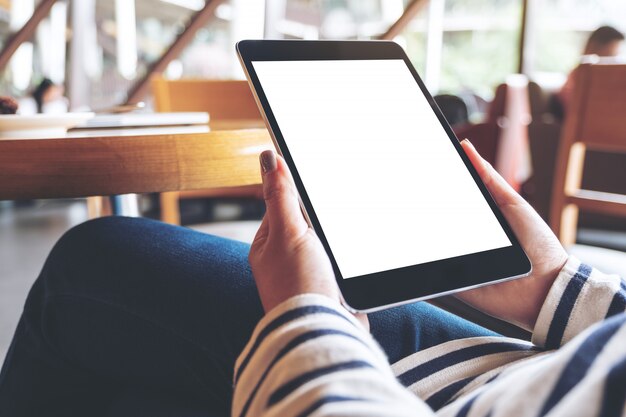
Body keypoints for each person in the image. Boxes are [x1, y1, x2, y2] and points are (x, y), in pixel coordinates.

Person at [0, 141, 624, 417]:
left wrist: (308, 323)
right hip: (550, 374)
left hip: (493, 394)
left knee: (96, 260)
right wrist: (562, 290)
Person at [557, 25, 625, 112]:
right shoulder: (581, 73)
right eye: (614, 51)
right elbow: (569, 100)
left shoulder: (614, 77)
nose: (616, 55)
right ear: (599, 47)